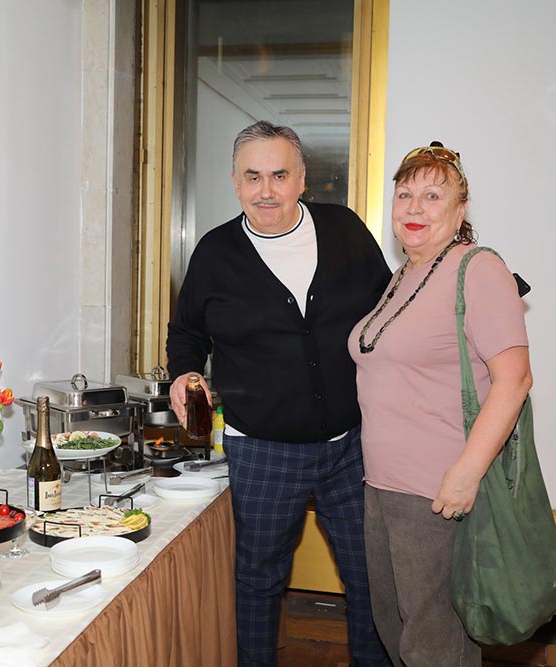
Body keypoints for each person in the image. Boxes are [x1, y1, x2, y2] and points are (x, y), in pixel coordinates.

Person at [167, 120, 393, 667]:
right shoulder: (215, 253)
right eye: (252, 177)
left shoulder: (344, 230)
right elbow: (187, 332)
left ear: (301, 179)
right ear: (235, 181)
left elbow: (388, 310)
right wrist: (184, 372)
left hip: (352, 447)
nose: (265, 190)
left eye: (279, 175)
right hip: (261, 450)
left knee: (370, 579)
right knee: (258, 582)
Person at [349, 141, 533, 666]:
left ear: (460, 210)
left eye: (433, 196)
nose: (415, 208)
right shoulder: (405, 275)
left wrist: (466, 474)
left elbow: (515, 380)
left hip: (435, 492)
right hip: (382, 486)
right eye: (405, 195)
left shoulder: (477, 269)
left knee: (435, 647)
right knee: (395, 631)